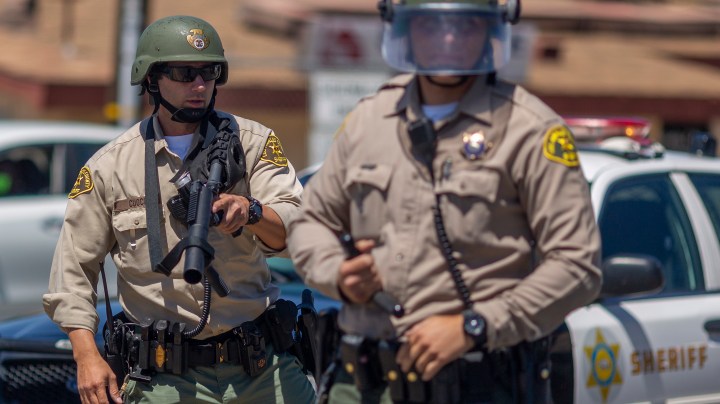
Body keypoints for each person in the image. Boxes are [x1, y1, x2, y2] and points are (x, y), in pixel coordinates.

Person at [287, 1, 602, 403]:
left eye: (466, 25)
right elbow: (310, 220)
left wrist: (474, 326)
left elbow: (577, 265)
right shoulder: (369, 119)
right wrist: (339, 274)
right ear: (405, 29)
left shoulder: (531, 130)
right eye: (432, 24)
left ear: (492, 30)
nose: (449, 37)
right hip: (362, 380)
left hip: (478, 382)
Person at [43, 15, 315, 404]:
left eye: (210, 73)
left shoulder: (253, 142)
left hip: (260, 369)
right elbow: (71, 275)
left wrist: (252, 211)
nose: (200, 85)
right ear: (152, 79)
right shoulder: (109, 167)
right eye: (185, 73)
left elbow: (296, 228)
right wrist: (86, 356)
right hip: (164, 379)